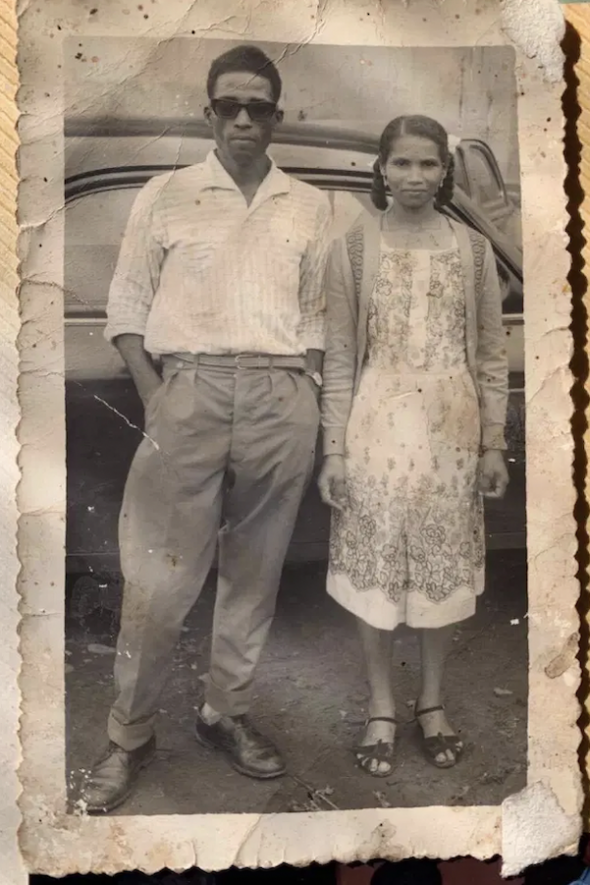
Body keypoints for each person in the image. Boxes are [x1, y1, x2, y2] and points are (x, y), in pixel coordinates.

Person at [81, 44, 331, 813]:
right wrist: (159, 395)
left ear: (277, 117)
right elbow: (126, 307)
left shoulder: (309, 204)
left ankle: (227, 713)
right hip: (186, 392)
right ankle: (130, 734)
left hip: (280, 395)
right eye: (230, 106)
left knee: (254, 570)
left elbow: (319, 314)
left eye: (259, 107)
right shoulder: (167, 192)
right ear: (209, 113)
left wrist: (308, 394)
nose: (245, 120)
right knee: (158, 578)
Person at [318, 115, 509, 777]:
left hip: (450, 435)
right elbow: (341, 355)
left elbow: (490, 355)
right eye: (401, 163)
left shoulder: (472, 250)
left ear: (443, 172)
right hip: (375, 429)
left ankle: (431, 702)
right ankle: (380, 706)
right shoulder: (354, 247)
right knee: (373, 571)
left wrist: (491, 443)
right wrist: (334, 453)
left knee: (439, 571)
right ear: (380, 168)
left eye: (428, 165)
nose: (415, 178)